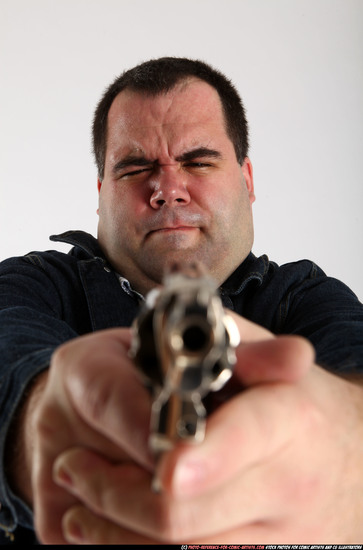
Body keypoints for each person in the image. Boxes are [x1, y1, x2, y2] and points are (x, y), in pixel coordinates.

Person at [0, 57, 362, 545]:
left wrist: (342, 442)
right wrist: (46, 423)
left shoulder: (302, 296)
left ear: (247, 180)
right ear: (101, 191)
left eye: (197, 161)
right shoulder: (35, 282)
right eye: (135, 168)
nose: (168, 189)